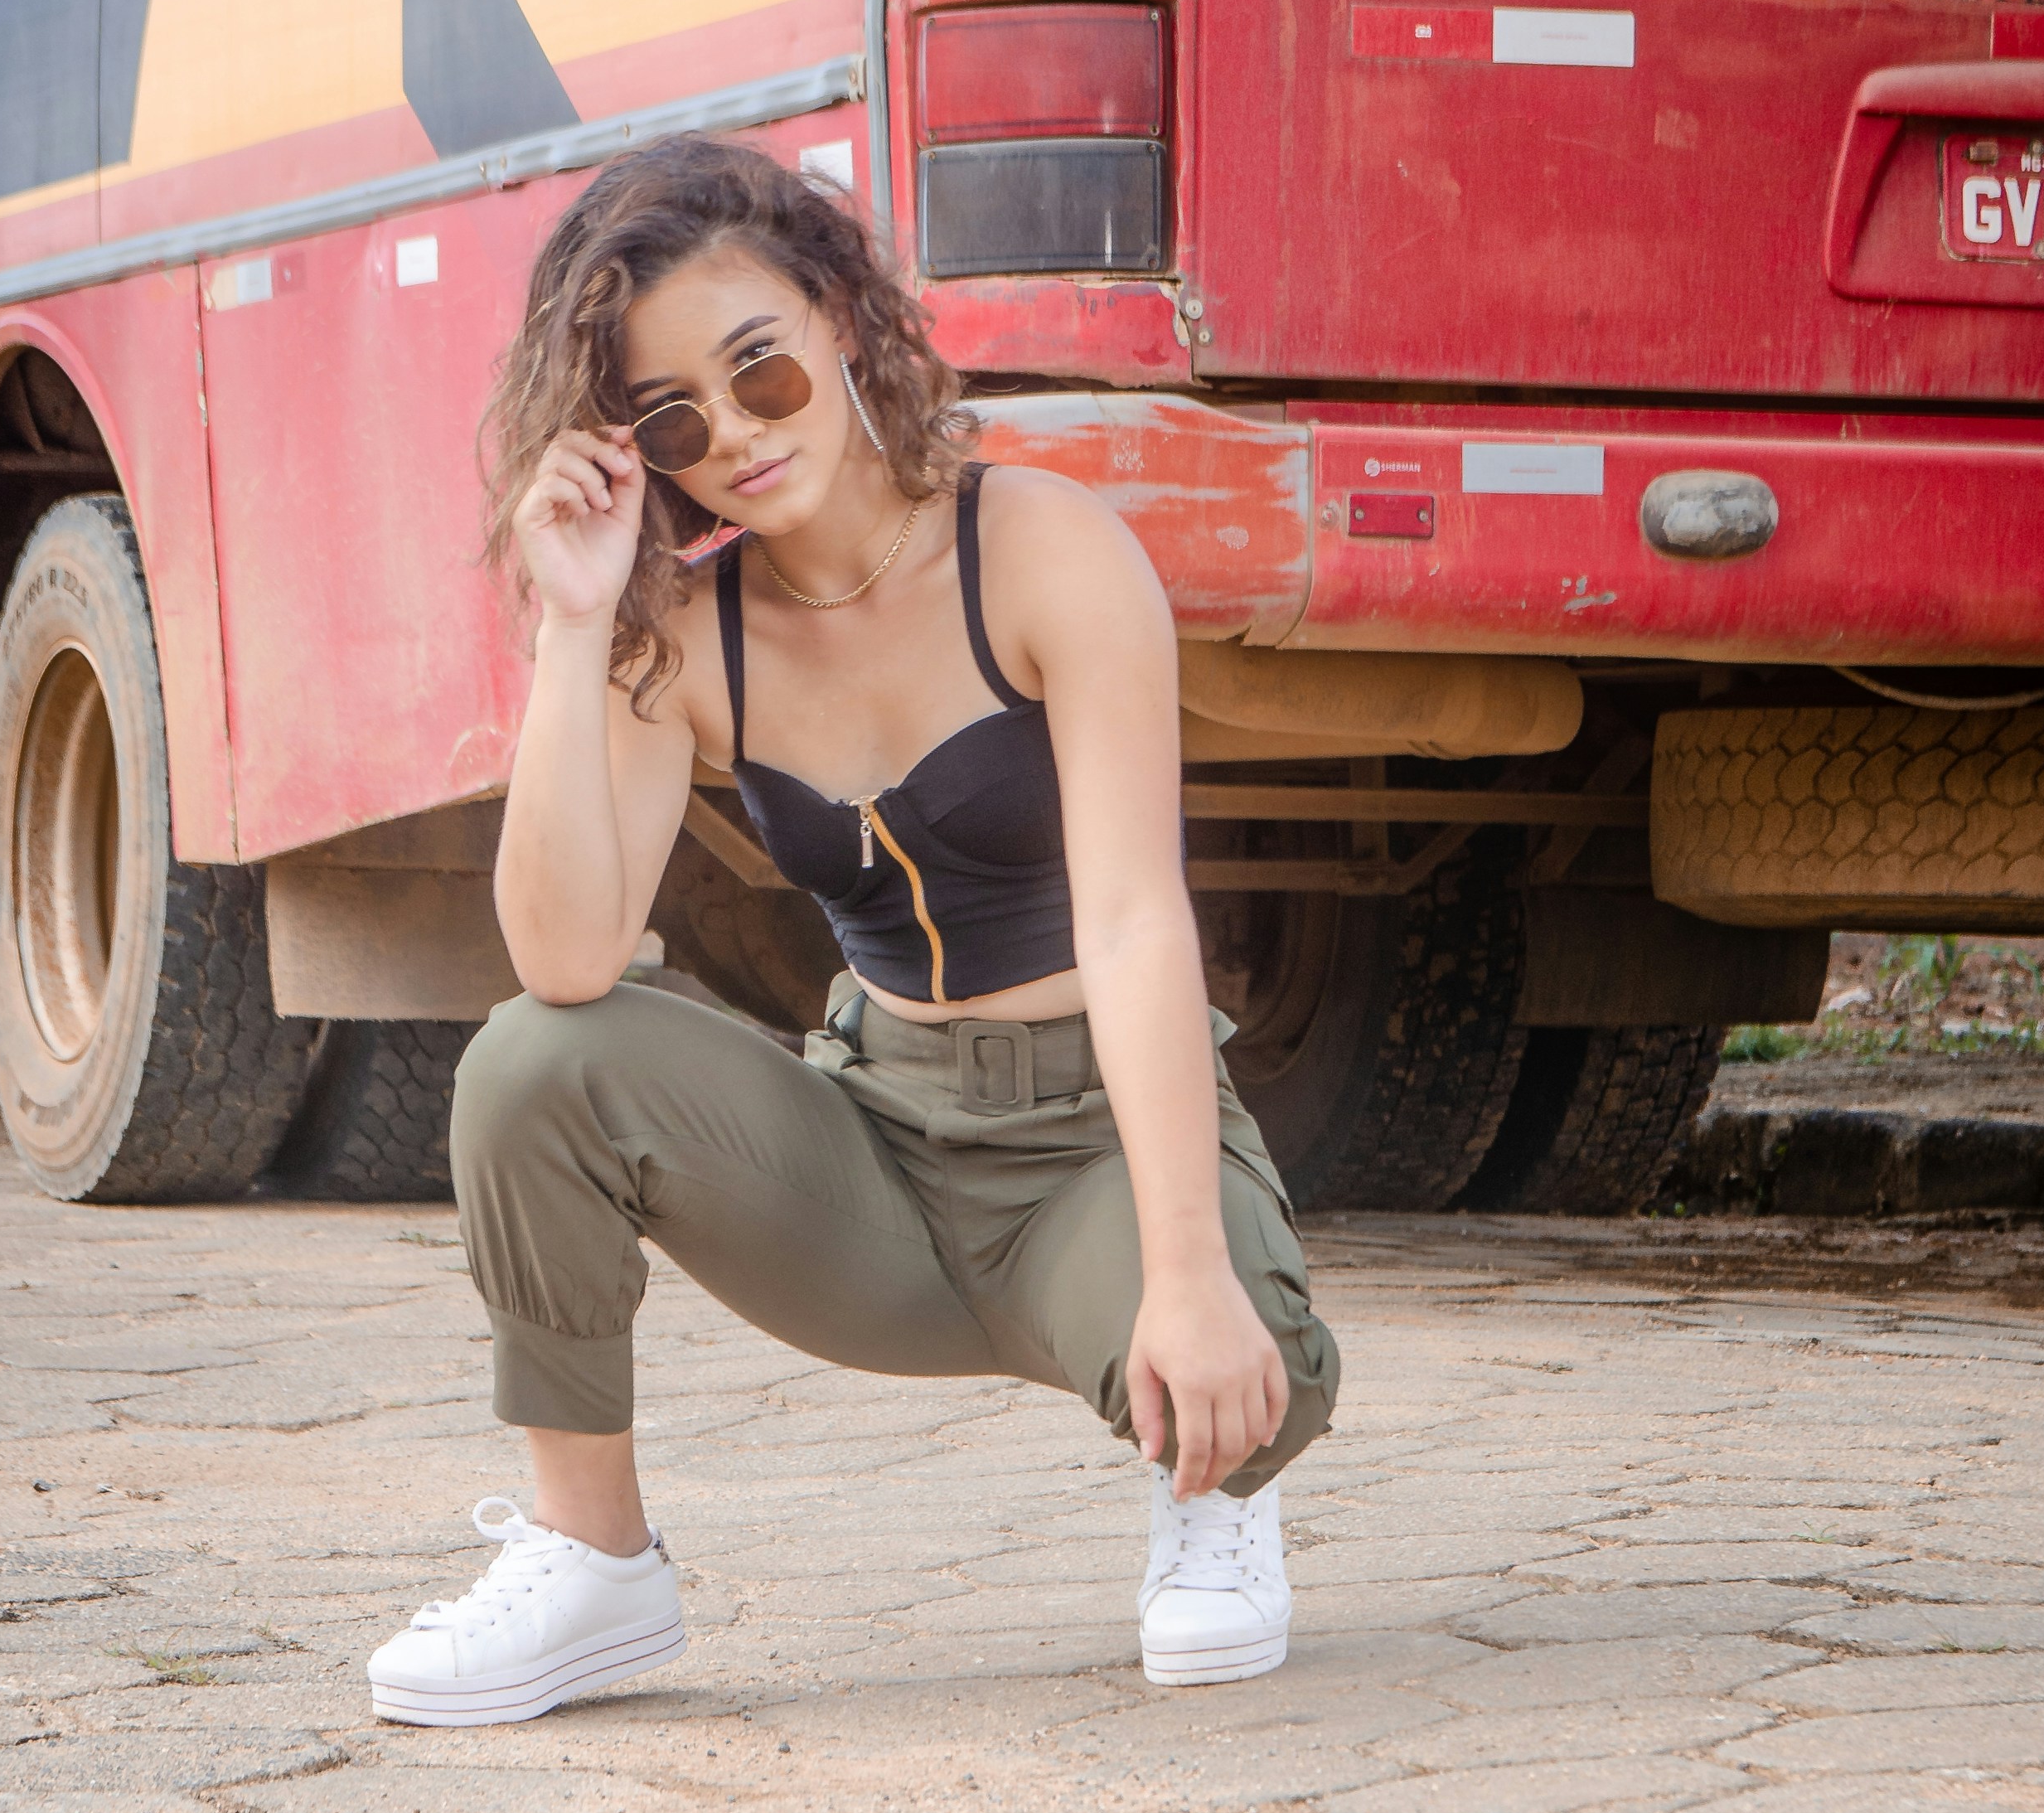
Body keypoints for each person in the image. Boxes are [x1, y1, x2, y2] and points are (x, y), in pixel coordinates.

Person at [366, 138, 1339, 1728]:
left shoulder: (1039, 550)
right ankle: (590, 1557)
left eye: (758, 371)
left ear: (835, 317)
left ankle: (1212, 1494)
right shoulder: (687, 631)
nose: (736, 436)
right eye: (675, 418)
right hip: (874, 1163)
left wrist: (1183, 1274)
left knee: (1250, 1362)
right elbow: (563, 959)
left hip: (1091, 1150)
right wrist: (572, 623)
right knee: (530, 1062)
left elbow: (1135, 922)